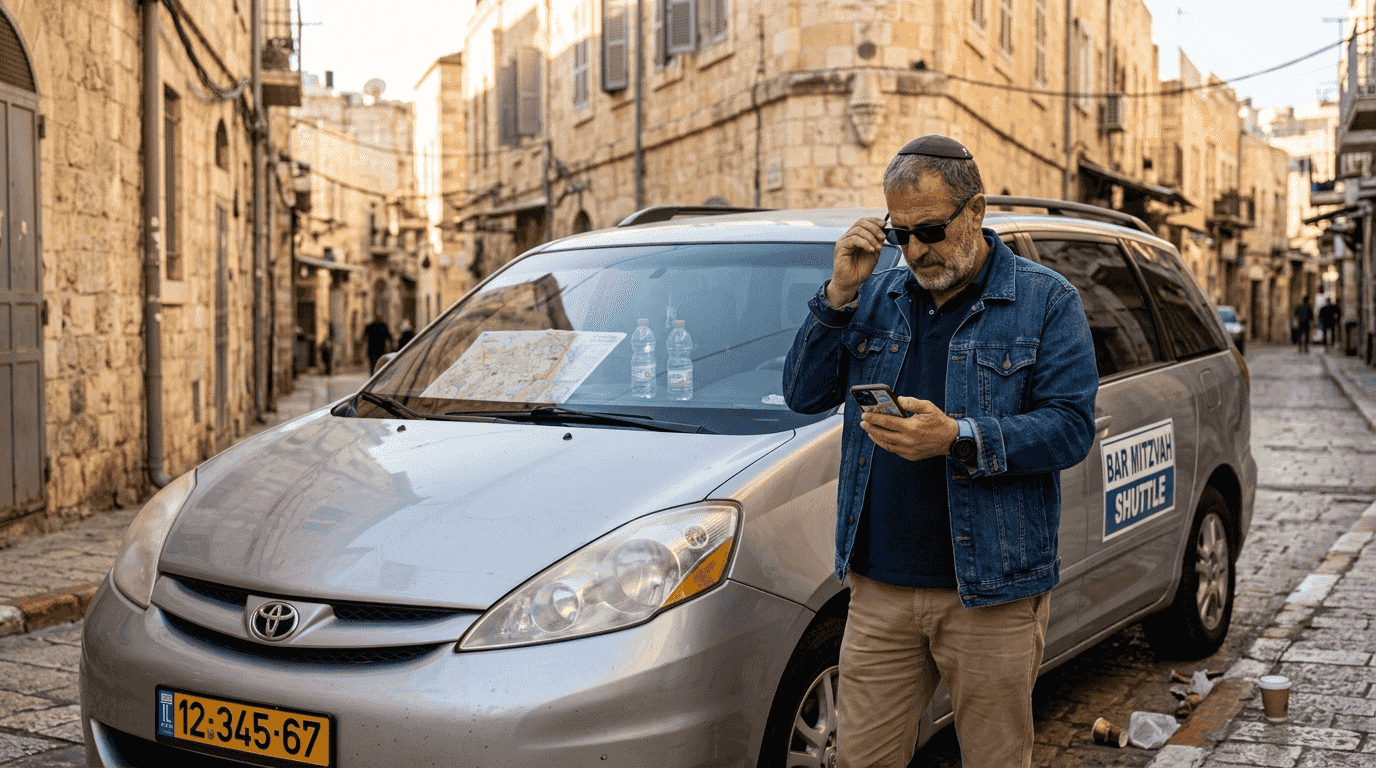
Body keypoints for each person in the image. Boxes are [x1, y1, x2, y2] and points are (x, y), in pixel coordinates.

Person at [782, 135, 1098, 768]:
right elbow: (802, 394)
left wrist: (958, 436)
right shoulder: (875, 294)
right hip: (880, 588)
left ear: (975, 210)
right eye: (900, 234)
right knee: (861, 759)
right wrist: (838, 295)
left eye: (929, 230)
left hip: (991, 591)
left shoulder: (1046, 300)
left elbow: (1070, 428)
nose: (915, 250)